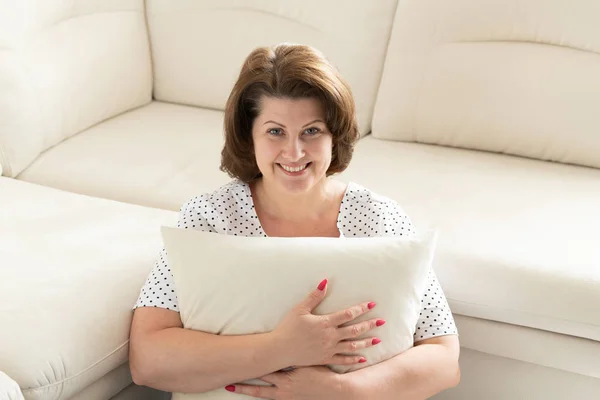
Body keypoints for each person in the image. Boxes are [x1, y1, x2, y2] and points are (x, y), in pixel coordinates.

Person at [129, 43, 460, 399]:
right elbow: (147, 359)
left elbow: (444, 358)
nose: (295, 152)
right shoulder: (208, 218)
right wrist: (283, 347)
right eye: (275, 132)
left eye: (311, 131)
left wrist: (341, 391)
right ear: (249, 136)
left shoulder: (378, 218)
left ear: (335, 136)